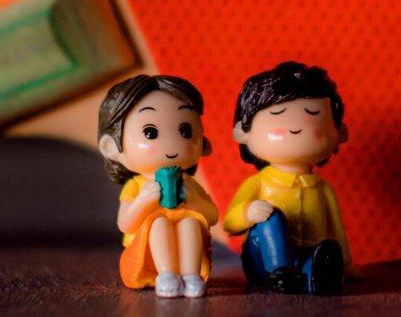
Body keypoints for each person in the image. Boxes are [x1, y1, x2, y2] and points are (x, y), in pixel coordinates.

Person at [222, 61, 351, 295]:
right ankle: (280, 271)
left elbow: (336, 229)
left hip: (304, 255)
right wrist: (249, 212)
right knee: (271, 217)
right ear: (244, 132)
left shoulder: (322, 189)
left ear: (339, 132)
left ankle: (316, 274)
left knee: (323, 254)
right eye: (278, 114)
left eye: (312, 114)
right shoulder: (258, 183)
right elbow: (229, 223)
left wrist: (347, 264)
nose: (295, 128)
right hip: (262, 261)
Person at [97, 74, 219, 299]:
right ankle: (167, 275)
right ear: (112, 147)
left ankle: (191, 275)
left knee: (190, 222)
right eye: (150, 133)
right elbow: (125, 224)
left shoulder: (189, 184)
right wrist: (143, 200)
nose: (171, 144)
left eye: (185, 131)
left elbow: (212, 216)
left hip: (187, 251)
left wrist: (194, 201)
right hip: (145, 259)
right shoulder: (136, 186)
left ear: (202, 142)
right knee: (159, 222)